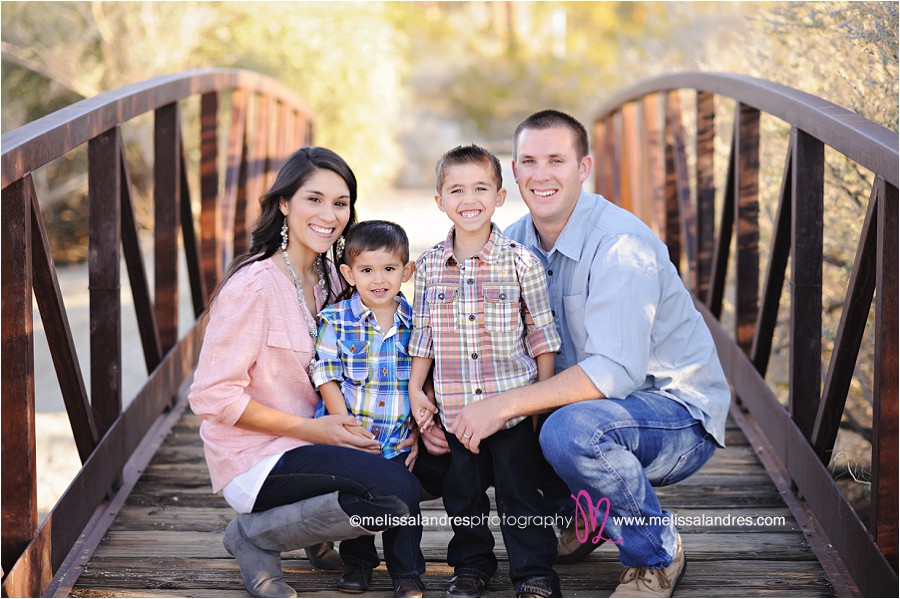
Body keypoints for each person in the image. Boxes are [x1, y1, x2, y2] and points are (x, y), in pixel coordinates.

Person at [449, 110, 731, 598]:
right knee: (510, 426)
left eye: (557, 160)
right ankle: (585, 516)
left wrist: (503, 404)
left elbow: (616, 372)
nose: (541, 174)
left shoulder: (620, 245)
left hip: (673, 414)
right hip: (585, 405)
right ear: (513, 172)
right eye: (529, 161)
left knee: (566, 429)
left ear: (584, 167)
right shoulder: (510, 244)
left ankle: (656, 552)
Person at [188, 147, 425, 599]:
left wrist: (410, 422)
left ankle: (314, 530)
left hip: (322, 438)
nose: (329, 215)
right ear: (284, 203)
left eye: (340, 203)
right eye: (313, 199)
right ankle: (255, 536)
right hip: (260, 456)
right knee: (394, 496)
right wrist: (314, 430)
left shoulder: (336, 279)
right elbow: (213, 398)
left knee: (439, 458)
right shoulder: (253, 286)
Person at [408, 144, 563, 598]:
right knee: (463, 496)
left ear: (499, 196)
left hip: (510, 406)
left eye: (480, 187)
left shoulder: (521, 262)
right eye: (456, 189)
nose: (468, 198)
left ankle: (534, 574)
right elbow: (423, 335)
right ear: (440, 201)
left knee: (519, 495)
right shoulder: (431, 265)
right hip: (456, 410)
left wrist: (542, 402)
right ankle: (473, 566)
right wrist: (419, 389)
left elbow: (542, 337)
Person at [312, 219, 426, 596]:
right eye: (366, 270)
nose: (379, 280)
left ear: (406, 271)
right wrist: (341, 424)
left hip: (395, 440)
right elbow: (326, 373)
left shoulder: (417, 324)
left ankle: (406, 573)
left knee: (404, 504)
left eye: (390, 269)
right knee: (357, 504)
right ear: (348, 273)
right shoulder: (337, 322)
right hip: (352, 437)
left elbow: (425, 380)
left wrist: (419, 428)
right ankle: (358, 564)